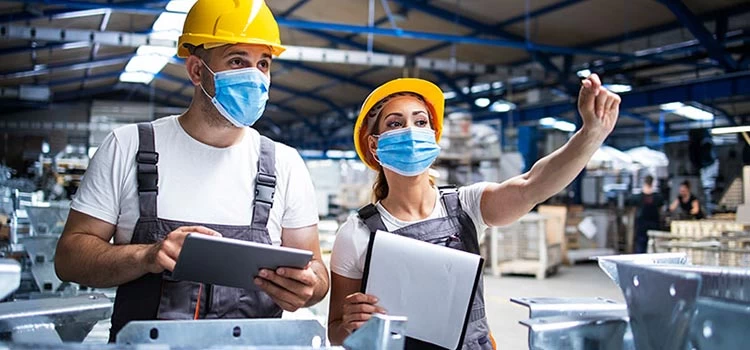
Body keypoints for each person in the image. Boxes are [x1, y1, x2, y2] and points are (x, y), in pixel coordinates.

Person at [54, 0, 329, 341]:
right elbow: (69, 259)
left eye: (263, 64)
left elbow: (317, 273)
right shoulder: (128, 147)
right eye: (237, 61)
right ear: (197, 70)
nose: (254, 77)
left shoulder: (285, 164)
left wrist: (308, 287)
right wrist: (147, 255)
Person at [327, 74, 621, 349]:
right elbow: (336, 330)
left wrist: (589, 135)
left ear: (434, 137)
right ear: (374, 146)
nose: (411, 132)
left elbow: (532, 185)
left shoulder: (465, 205)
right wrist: (353, 323)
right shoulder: (357, 233)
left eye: (420, 122)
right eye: (395, 124)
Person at [631, 175, 665, 254]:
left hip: (643, 224)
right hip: (652, 223)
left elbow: (633, 209)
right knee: (654, 246)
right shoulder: (657, 197)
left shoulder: (638, 197)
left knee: (641, 246)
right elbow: (660, 210)